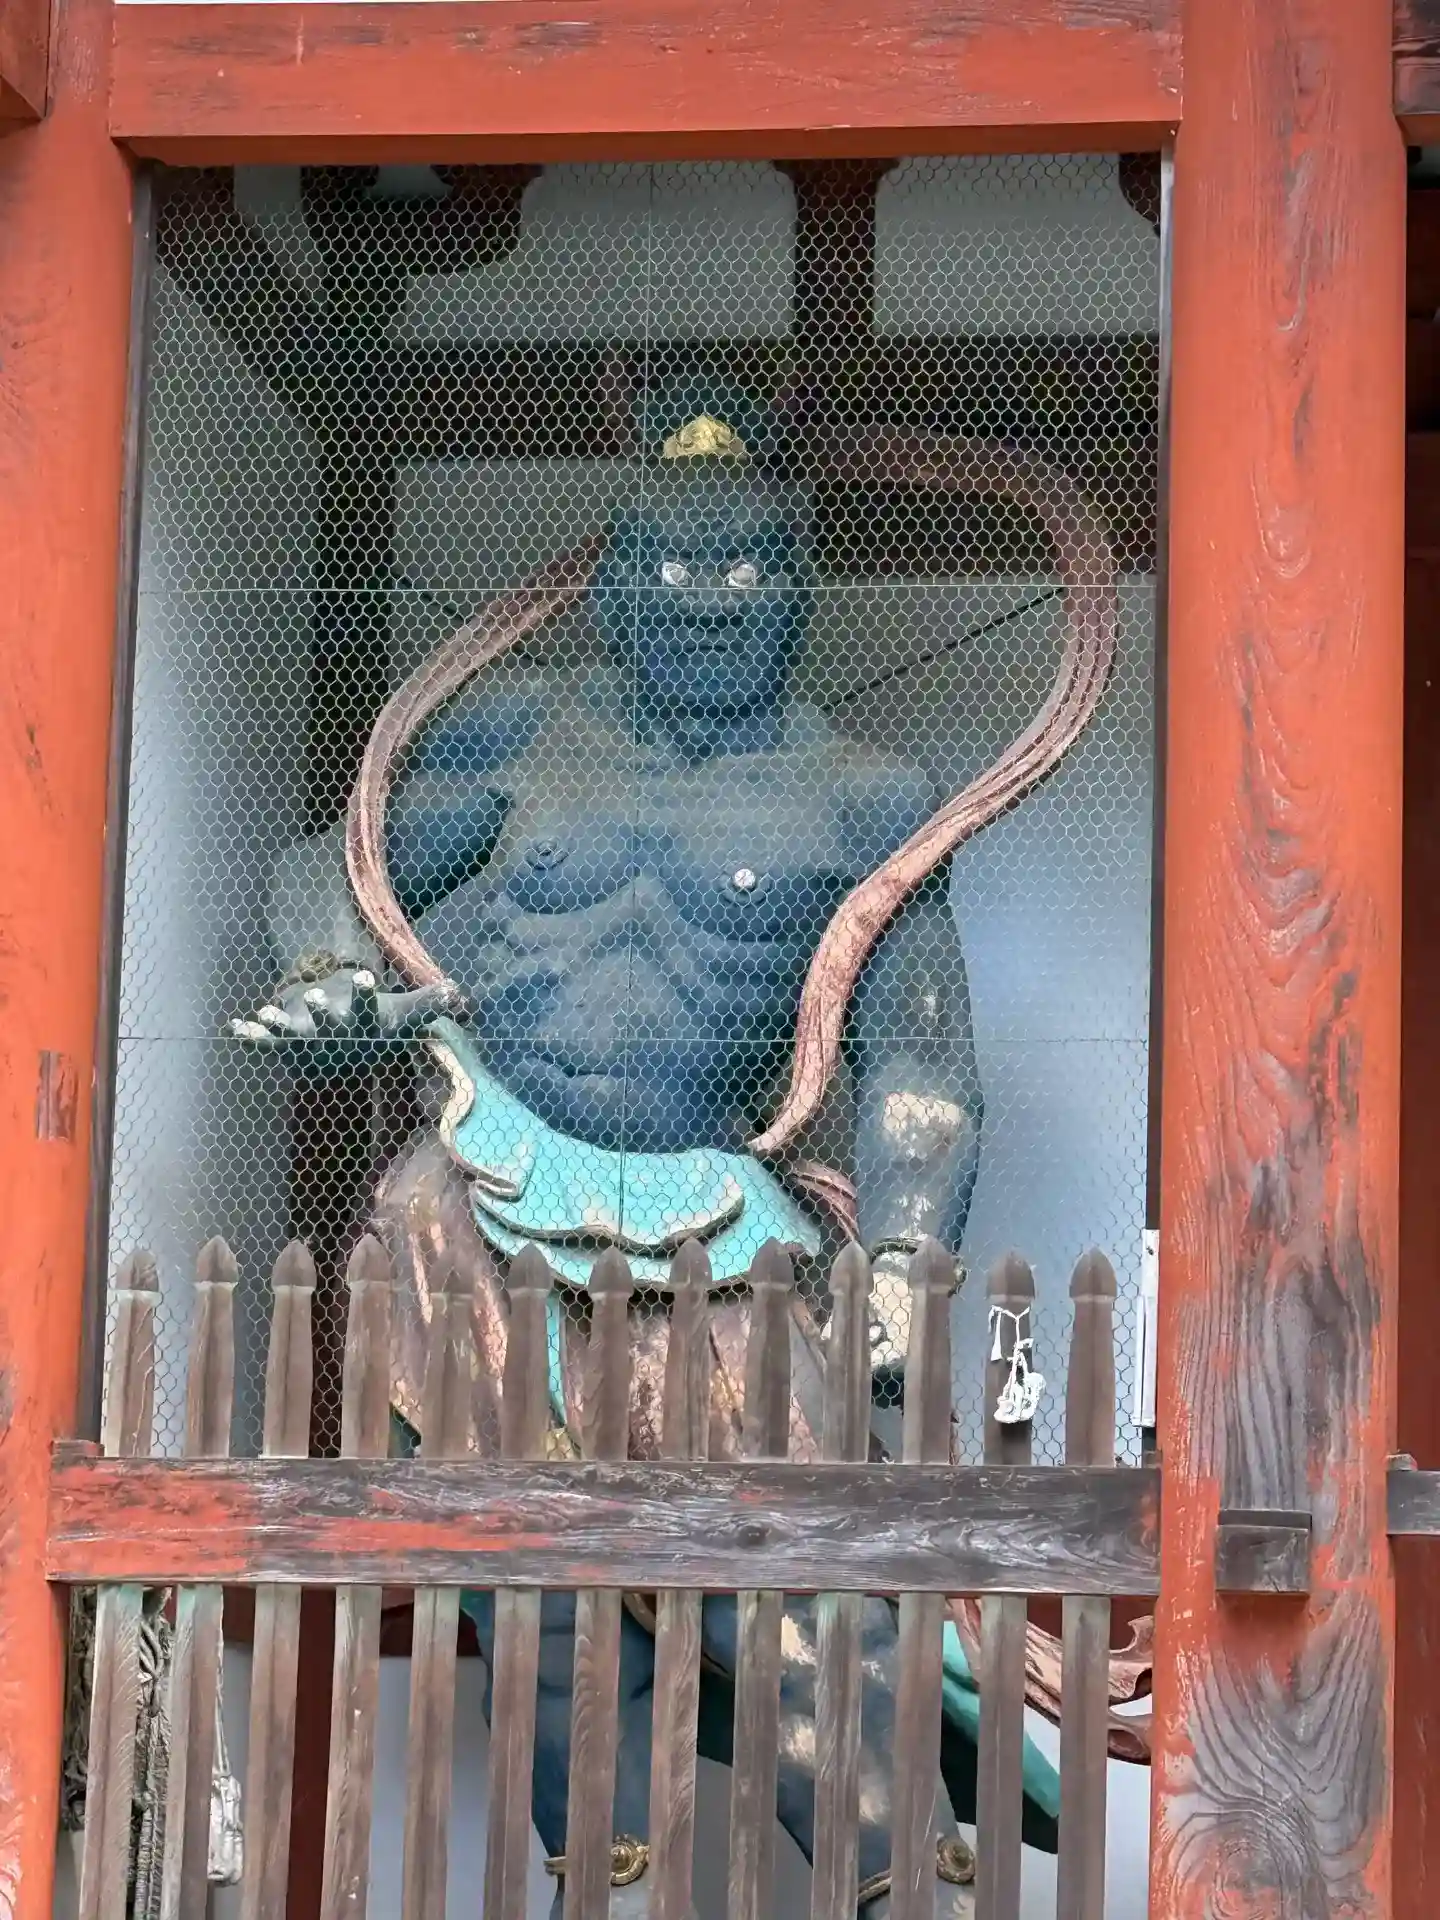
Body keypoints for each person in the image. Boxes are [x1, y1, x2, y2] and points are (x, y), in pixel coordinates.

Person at [234, 387, 1060, 1915]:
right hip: (484, 1195)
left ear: (800, 591)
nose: (707, 603)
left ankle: (895, 1883)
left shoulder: (862, 797)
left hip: (716, 1234)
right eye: (673, 570)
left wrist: (902, 1257)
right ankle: (595, 1883)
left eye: (745, 571)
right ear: (611, 586)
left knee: (803, 1609)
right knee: (545, 1606)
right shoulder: (521, 733)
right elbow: (331, 869)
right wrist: (330, 969)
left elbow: (919, 1061)